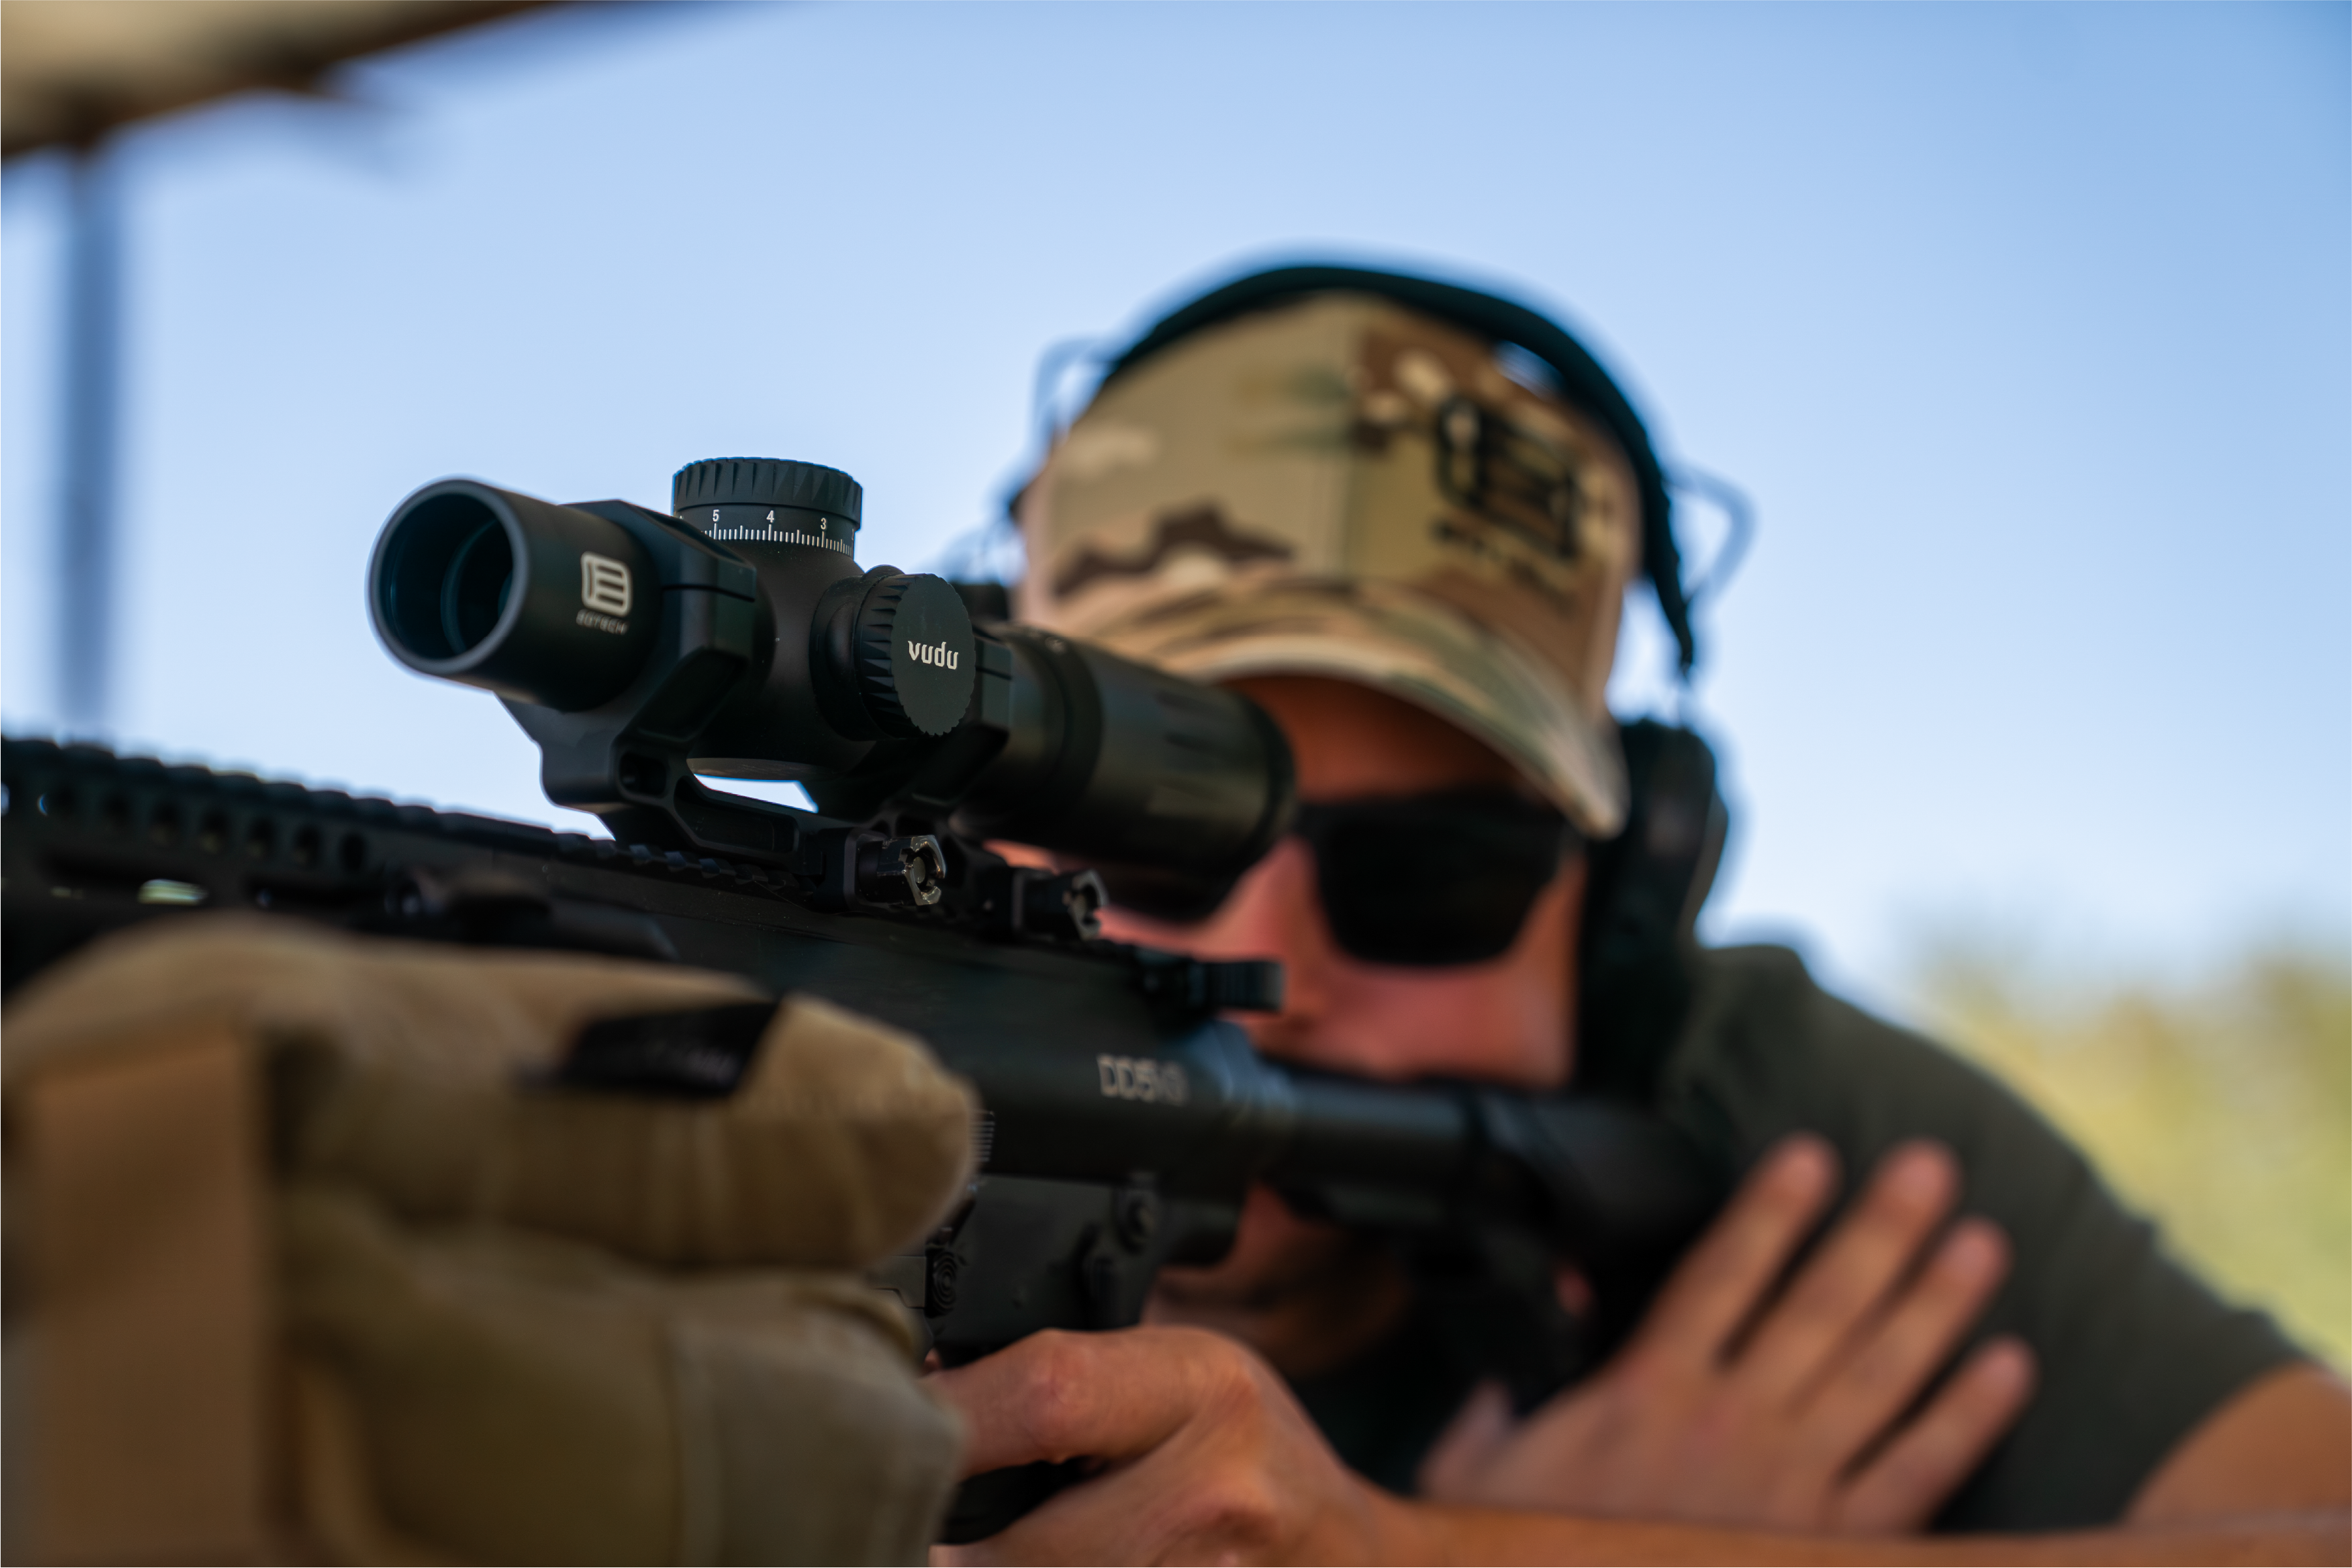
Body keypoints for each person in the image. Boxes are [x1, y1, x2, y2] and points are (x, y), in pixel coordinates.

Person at [927, 266, 2352, 1563]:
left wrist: (1443, 1551)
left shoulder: (1748, 1123)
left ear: (1621, 907)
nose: (1270, 963)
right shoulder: (798, 1104)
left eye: (1432, 877)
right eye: (1156, 837)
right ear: (964, 825)